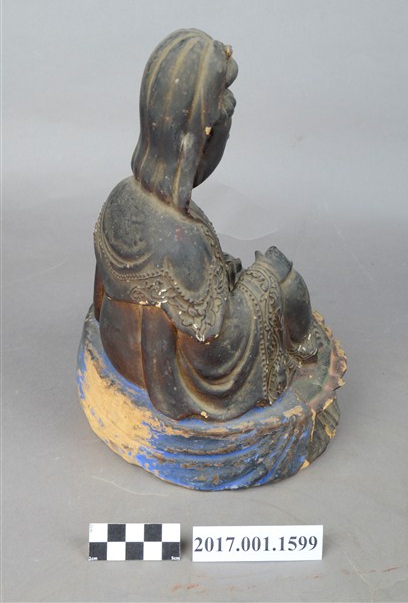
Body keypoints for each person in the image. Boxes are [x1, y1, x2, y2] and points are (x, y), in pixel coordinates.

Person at [93, 28, 316, 421]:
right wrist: (265, 281)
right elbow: (213, 344)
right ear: (203, 136)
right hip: (165, 372)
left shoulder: (120, 197)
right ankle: (302, 350)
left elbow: (100, 303)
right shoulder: (181, 238)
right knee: (285, 280)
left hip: (118, 349)